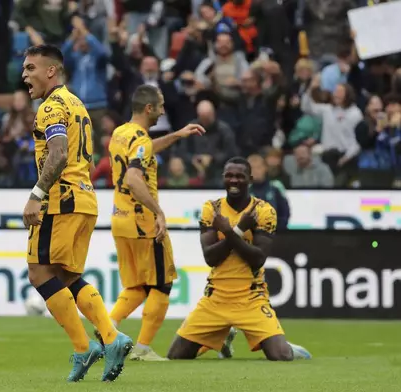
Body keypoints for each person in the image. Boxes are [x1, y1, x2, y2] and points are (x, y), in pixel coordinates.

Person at [20, 44, 132, 382]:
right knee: (65, 276)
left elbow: (58, 154)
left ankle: (92, 345)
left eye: (30, 68)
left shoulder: (51, 107)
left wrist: (36, 195)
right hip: (84, 199)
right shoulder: (77, 104)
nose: (25, 75)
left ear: (50, 70)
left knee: (39, 273)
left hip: (61, 200)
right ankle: (109, 339)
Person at [166, 157, 311, 361]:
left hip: (250, 297)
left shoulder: (263, 211)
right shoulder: (212, 209)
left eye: (240, 176)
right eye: (229, 176)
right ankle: (221, 338)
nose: (234, 180)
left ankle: (290, 348)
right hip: (216, 297)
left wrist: (230, 231)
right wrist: (239, 230)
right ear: (223, 178)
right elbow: (211, 258)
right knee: (176, 356)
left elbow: (258, 259)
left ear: (250, 179)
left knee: (280, 356)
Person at [99, 84, 206, 361]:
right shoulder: (140, 139)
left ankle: (106, 329)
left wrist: (177, 135)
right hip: (143, 222)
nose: (161, 112)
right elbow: (134, 178)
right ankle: (143, 349)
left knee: (137, 286)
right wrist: (158, 211)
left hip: (119, 219)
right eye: (159, 107)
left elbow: (143, 151)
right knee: (162, 285)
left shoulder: (121, 133)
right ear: (149, 109)